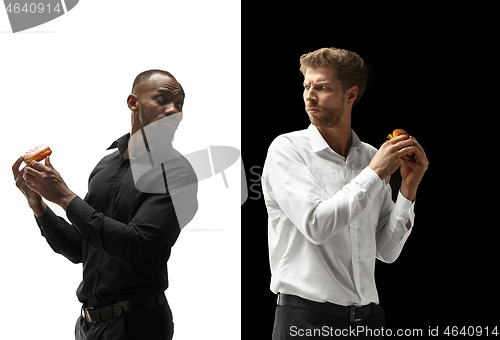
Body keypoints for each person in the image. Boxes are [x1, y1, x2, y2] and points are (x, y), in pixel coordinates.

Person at [12, 69, 198, 340]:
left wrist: (64, 196)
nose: (174, 110)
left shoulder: (177, 173)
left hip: (138, 326)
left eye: (179, 105)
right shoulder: (105, 166)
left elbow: (134, 246)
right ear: (133, 102)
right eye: (162, 99)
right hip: (88, 326)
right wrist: (38, 206)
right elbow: (80, 248)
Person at [262, 48, 429, 339]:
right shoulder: (287, 150)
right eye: (306, 86)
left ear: (351, 95)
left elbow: (386, 252)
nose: (309, 96)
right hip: (305, 322)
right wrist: (374, 174)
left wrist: (407, 190)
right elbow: (316, 224)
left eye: (322, 87)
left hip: (368, 323)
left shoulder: (372, 157)